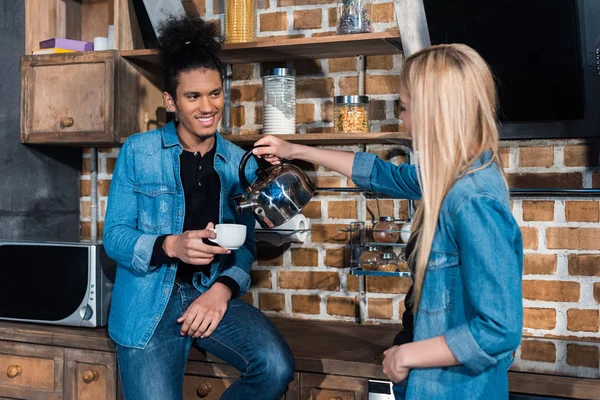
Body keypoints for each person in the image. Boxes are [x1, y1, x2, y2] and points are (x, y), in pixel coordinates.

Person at [253, 43, 523, 399]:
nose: (401, 119)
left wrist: (409, 353)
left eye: (406, 108)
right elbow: (382, 175)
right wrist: (295, 151)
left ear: (435, 113)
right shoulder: (451, 176)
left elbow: (499, 329)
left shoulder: (472, 199)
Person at [103, 15, 294, 400]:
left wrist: (221, 292)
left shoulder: (240, 162)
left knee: (276, 367)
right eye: (193, 96)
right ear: (171, 101)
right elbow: (115, 238)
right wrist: (171, 245)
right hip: (147, 302)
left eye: (215, 93)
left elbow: (246, 247)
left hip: (210, 294)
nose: (208, 107)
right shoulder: (138, 152)